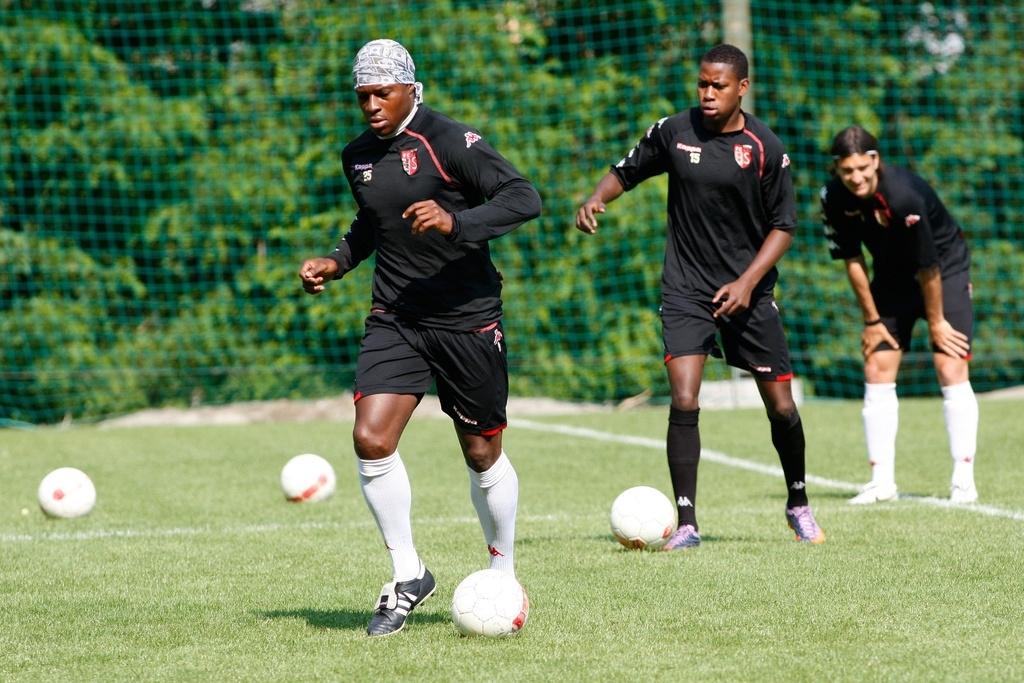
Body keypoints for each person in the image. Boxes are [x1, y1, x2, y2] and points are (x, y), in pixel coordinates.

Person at [299, 39, 541, 637]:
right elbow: (371, 223)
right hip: (396, 316)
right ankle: (408, 574)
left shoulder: (450, 141)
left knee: (482, 453)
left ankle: (503, 570)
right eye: (363, 96)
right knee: (369, 437)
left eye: (383, 92)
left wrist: (455, 221)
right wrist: (336, 261)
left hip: (467, 319)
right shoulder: (357, 155)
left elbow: (524, 198)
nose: (372, 105)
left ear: (412, 89)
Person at [575, 44, 824, 549]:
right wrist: (597, 198)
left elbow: (784, 226)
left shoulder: (764, 147)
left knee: (780, 405)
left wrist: (748, 282)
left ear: (742, 88)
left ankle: (798, 503)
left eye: (719, 86)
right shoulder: (673, 130)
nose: (707, 94)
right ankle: (687, 523)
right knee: (684, 396)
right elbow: (626, 171)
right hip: (686, 286)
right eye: (702, 84)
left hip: (749, 291)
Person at [821, 125, 978, 505]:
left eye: (862, 168)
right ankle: (881, 482)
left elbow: (929, 267)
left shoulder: (904, 195)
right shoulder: (832, 197)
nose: (856, 178)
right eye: (847, 171)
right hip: (891, 277)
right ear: (837, 169)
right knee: (876, 367)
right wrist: (873, 321)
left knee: (950, 365)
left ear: (875, 161)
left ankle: (963, 480)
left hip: (945, 269)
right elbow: (852, 260)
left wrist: (937, 322)